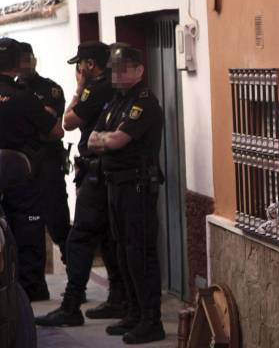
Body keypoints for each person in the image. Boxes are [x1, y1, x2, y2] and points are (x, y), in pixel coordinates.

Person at [35, 41, 126, 327]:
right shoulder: (112, 88)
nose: (79, 69)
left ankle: (72, 304)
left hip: (98, 173)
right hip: (107, 171)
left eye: (80, 63)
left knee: (80, 237)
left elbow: (69, 121)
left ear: (88, 64)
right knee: (109, 238)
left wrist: (77, 89)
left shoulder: (94, 88)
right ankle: (118, 297)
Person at [88, 43, 165, 344]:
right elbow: (92, 139)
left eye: (123, 69)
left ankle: (151, 321)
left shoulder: (144, 102)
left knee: (140, 254)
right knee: (122, 251)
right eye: (114, 69)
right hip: (115, 185)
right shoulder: (115, 102)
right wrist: (106, 139)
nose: (116, 74)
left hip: (137, 188)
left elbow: (118, 141)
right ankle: (133, 313)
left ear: (139, 70)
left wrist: (107, 139)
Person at [0, 37, 64, 301]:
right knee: (28, 229)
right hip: (20, 173)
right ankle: (30, 289)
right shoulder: (24, 97)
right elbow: (56, 130)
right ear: (16, 64)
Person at [16, 42, 71, 265]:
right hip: (22, 165)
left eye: (27, 60)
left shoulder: (50, 89)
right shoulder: (10, 90)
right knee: (27, 224)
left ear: (34, 61)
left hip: (48, 163)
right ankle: (33, 284)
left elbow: (51, 128)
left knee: (58, 222)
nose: (24, 65)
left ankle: (75, 280)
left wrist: (23, 125)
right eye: (19, 61)